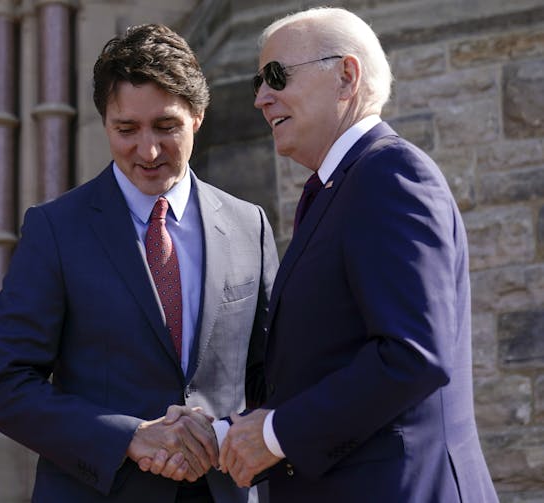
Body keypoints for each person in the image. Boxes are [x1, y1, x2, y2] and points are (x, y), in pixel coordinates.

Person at [0, 23, 278, 503]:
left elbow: (270, 374)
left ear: (197, 116)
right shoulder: (55, 230)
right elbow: (2, 386)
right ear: (104, 122)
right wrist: (130, 436)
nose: (148, 150)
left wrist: (228, 434)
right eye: (126, 129)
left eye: (166, 126)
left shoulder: (250, 226)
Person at [214, 7, 499, 502]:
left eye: (276, 76)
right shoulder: (336, 188)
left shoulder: (390, 176)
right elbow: (316, 366)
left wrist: (275, 435)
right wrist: (224, 431)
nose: (261, 98)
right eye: (257, 83)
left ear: (346, 76)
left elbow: (412, 356)